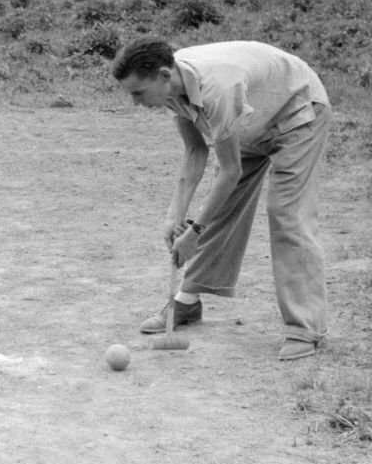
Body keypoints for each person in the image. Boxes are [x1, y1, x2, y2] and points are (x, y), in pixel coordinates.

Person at [111, 38, 331, 361]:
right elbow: (195, 150)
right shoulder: (172, 87)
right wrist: (176, 215)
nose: (134, 102)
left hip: (297, 112)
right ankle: (186, 301)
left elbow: (231, 170)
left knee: (285, 212)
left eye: (138, 93)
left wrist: (194, 231)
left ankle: (305, 327)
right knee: (221, 205)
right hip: (253, 119)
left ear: (162, 75)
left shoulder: (217, 88)